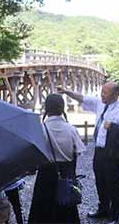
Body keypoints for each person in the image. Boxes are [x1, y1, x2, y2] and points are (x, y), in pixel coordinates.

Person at [58, 81, 119, 224]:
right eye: (102, 91)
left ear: (116, 95)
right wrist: (66, 91)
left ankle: (114, 216)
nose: (102, 94)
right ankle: (103, 209)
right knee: (100, 181)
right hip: (98, 151)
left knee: (113, 184)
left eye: (105, 93)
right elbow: (82, 98)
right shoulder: (101, 103)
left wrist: (113, 127)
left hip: (111, 153)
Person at [28, 93, 85, 224]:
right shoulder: (71, 129)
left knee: (43, 212)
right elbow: (78, 152)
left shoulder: (41, 129)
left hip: (45, 176)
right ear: (62, 108)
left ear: (46, 108)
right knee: (66, 210)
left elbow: (34, 156)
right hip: (66, 176)